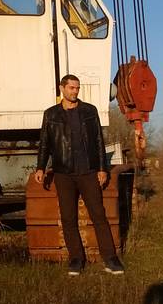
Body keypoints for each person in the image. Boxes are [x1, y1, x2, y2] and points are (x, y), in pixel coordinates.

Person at [34, 74, 125, 276]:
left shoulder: (89, 111)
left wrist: (102, 168)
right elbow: (45, 144)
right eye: (72, 88)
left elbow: (99, 141)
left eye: (77, 88)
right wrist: (40, 167)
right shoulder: (51, 114)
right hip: (63, 173)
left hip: (88, 172)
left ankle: (110, 259)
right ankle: (76, 259)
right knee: (68, 218)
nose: (75, 91)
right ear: (62, 89)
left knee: (99, 215)